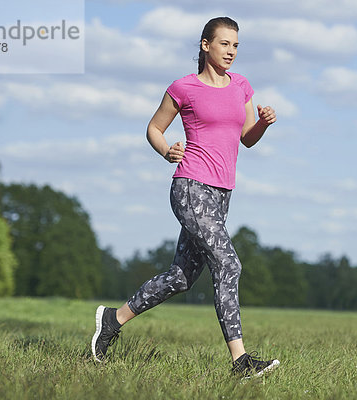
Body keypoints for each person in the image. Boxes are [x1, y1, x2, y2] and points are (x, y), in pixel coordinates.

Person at [91, 16, 279, 378]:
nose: (231, 51)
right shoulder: (184, 87)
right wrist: (166, 151)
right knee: (229, 264)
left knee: (181, 278)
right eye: (224, 43)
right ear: (206, 45)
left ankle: (112, 320)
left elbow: (246, 138)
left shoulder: (241, 86)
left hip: (222, 193)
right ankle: (241, 362)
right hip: (191, 187)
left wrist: (263, 124)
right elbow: (154, 128)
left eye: (236, 45)